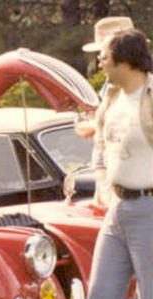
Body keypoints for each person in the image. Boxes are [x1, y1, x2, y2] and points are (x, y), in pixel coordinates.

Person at [68, 28, 153, 299]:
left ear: (123, 60)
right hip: (117, 210)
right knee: (101, 295)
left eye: (104, 56)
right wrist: (101, 176)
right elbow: (103, 141)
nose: (99, 61)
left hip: (149, 207)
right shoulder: (112, 95)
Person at [76, 16, 134, 206]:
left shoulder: (134, 84)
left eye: (104, 54)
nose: (100, 61)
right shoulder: (111, 85)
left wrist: (89, 125)